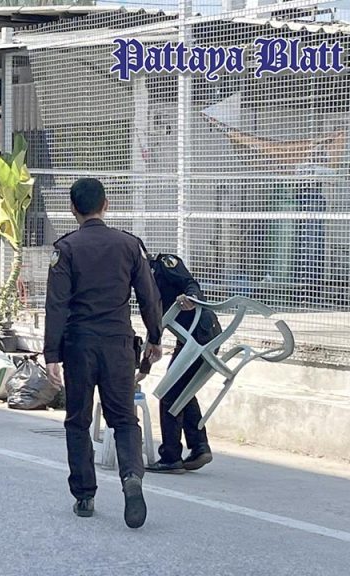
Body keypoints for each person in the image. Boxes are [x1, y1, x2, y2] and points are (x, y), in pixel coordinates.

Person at [44, 177, 163, 529]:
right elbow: (149, 296)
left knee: (78, 420)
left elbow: (56, 305)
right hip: (118, 345)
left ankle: (84, 495)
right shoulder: (130, 245)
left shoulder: (66, 249)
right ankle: (131, 477)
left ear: (72, 209)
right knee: (124, 419)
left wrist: (51, 354)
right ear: (106, 205)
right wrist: (155, 337)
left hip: (79, 345)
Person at [144, 253, 222, 474]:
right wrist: (144, 368)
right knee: (182, 391)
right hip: (188, 341)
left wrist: (190, 298)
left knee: (170, 392)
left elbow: (190, 283)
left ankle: (171, 457)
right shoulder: (142, 282)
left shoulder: (164, 264)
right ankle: (199, 447)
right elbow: (154, 325)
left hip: (201, 336)